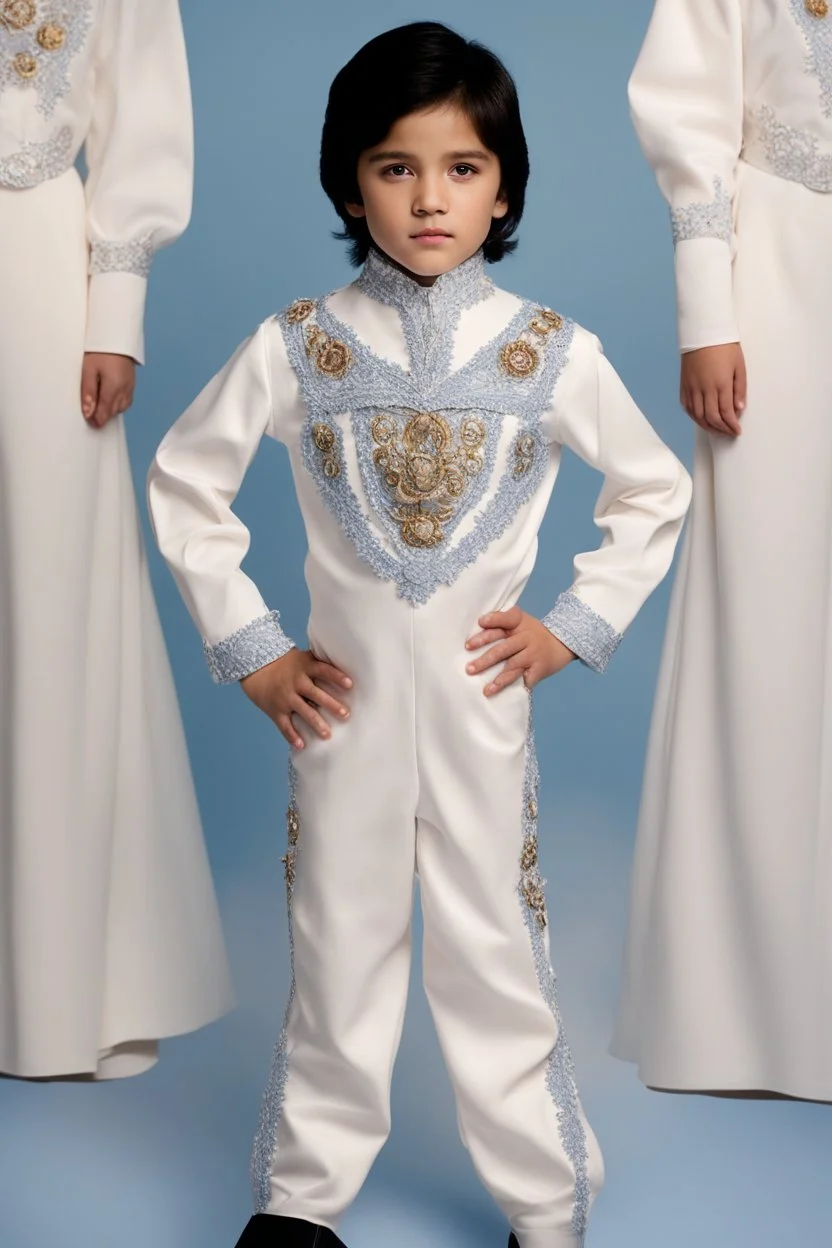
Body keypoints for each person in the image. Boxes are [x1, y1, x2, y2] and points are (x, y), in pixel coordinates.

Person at [148, 22, 690, 1247]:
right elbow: (186, 481)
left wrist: (570, 627)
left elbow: (655, 490)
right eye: (395, 167)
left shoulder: (547, 351)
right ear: (350, 181)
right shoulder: (300, 343)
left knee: (494, 954)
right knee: (338, 949)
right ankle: (300, 1202)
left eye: (460, 167)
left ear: (504, 188)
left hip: (480, 712)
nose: (429, 197)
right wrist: (256, 650)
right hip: (337, 711)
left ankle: (546, 1207)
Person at [0, 0, 232, 1080]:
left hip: (35, 278)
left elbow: (140, 117)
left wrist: (115, 317)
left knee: (50, 597)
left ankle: (53, 986)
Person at [611, 0, 832, 1101]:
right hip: (785, 281)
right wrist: (709, 312)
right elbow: (687, 104)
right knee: (769, 611)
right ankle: (750, 1014)